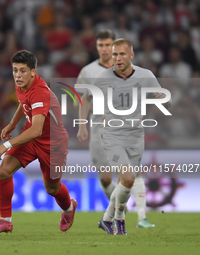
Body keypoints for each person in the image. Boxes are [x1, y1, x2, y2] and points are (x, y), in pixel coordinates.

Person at [0, 50, 78, 236]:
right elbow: (23, 103)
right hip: (31, 138)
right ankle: (6, 221)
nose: (18, 75)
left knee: (51, 188)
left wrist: (6, 145)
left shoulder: (40, 92)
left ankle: (69, 208)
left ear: (33, 72)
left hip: (53, 144)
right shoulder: (22, 84)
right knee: (4, 171)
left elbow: (36, 129)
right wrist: (12, 124)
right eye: (15, 70)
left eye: (22, 71)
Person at [86, 38, 171, 235]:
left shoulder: (146, 75)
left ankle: (106, 219)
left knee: (127, 181)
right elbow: (86, 98)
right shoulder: (101, 77)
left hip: (135, 136)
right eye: (115, 54)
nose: (117, 58)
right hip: (112, 135)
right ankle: (119, 219)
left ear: (131, 55)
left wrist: (164, 100)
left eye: (122, 54)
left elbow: (165, 101)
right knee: (128, 177)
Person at [76, 31, 155, 228]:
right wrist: (82, 124)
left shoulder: (133, 71)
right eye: (101, 45)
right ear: (97, 48)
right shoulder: (89, 71)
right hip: (98, 127)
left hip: (126, 129)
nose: (105, 49)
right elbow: (82, 97)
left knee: (130, 174)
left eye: (108, 45)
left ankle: (141, 216)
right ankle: (117, 207)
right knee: (105, 179)